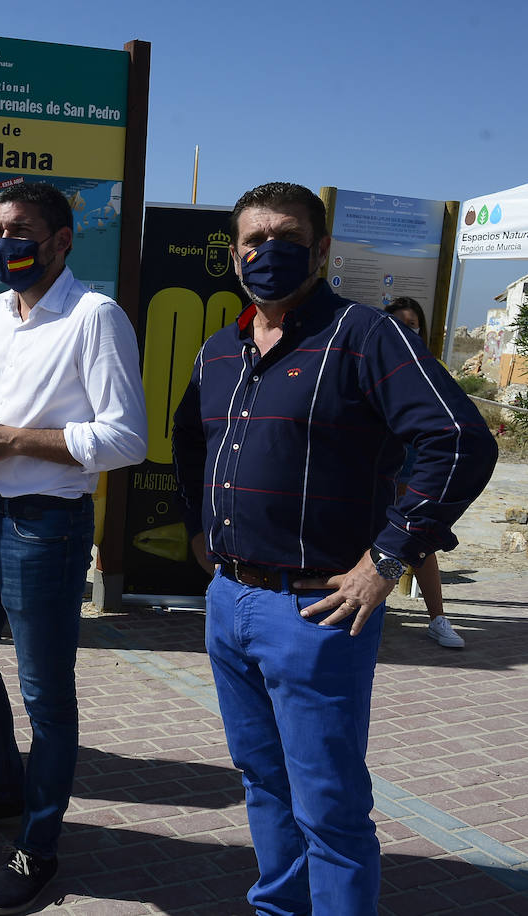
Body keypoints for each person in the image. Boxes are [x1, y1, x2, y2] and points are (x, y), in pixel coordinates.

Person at [172, 182, 496, 914]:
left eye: (287, 237)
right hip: (229, 602)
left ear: (320, 250)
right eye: (253, 241)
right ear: (233, 254)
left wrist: (387, 558)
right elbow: (190, 438)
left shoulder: (364, 336)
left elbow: (457, 440)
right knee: (261, 781)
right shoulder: (220, 349)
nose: (267, 252)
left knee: (328, 806)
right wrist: (199, 524)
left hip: (316, 610)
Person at [0, 182, 148, 915]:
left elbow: (127, 439)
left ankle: (39, 843)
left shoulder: (96, 318)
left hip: (45, 528)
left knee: (45, 697)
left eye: (20, 230)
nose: (3, 243)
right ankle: (4, 785)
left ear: (61, 241)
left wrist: (18, 440)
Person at [384, 297, 465, 648]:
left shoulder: (430, 366)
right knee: (369, 534)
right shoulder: (374, 363)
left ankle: (437, 617)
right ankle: (370, 607)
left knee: (412, 537)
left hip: (412, 462)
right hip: (374, 462)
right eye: (400, 322)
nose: (408, 328)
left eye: (413, 322)